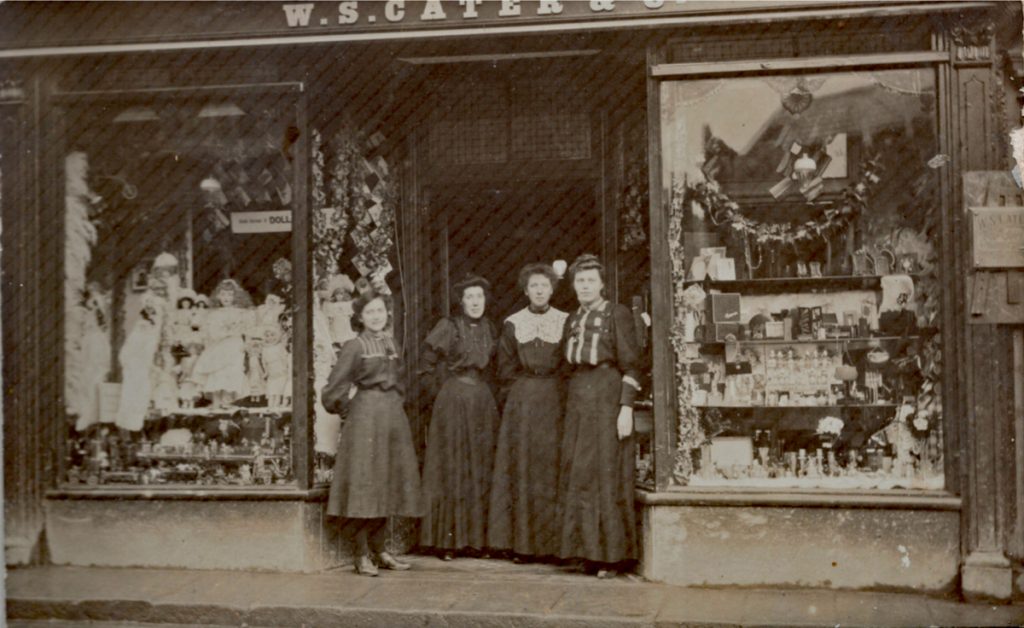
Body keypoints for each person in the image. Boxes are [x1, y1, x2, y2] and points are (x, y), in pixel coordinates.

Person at [322, 292, 422, 577]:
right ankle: (361, 554)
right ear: (360, 317)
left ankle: (380, 550)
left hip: (392, 417)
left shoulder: (391, 342)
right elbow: (334, 388)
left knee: (387, 481)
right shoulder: (355, 346)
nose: (376, 316)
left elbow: (401, 381)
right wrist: (347, 411)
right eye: (370, 312)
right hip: (366, 418)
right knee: (365, 483)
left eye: (380, 311)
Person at [556, 254, 641, 578]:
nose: (585, 285)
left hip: (607, 395)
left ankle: (611, 557)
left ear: (602, 284)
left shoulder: (615, 314)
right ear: (574, 285)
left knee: (606, 476)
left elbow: (632, 364)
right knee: (580, 475)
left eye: (591, 280)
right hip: (579, 398)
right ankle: (586, 553)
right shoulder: (573, 318)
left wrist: (626, 407)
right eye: (580, 280)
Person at [488, 263, 568, 560]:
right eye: (533, 286)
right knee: (521, 467)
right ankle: (521, 544)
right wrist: (517, 399)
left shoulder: (564, 320)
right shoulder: (513, 323)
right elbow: (505, 368)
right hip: (521, 400)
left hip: (553, 399)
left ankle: (550, 545)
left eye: (544, 286)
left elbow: (568, 366)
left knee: (549, 468)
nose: (539, 291)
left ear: (552, 289)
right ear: (525, 291)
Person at [419, 273, 499, 560]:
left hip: (481, 401)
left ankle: (476, 541)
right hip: (453, 401)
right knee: (453, 465)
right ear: (461, 301)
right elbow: (425, 365)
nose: (475, 302)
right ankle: (448, 541)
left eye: (480, 297)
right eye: (470, 297)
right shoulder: (449, 326)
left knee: (480, 466)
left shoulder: (489, 327)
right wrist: (442, 396)